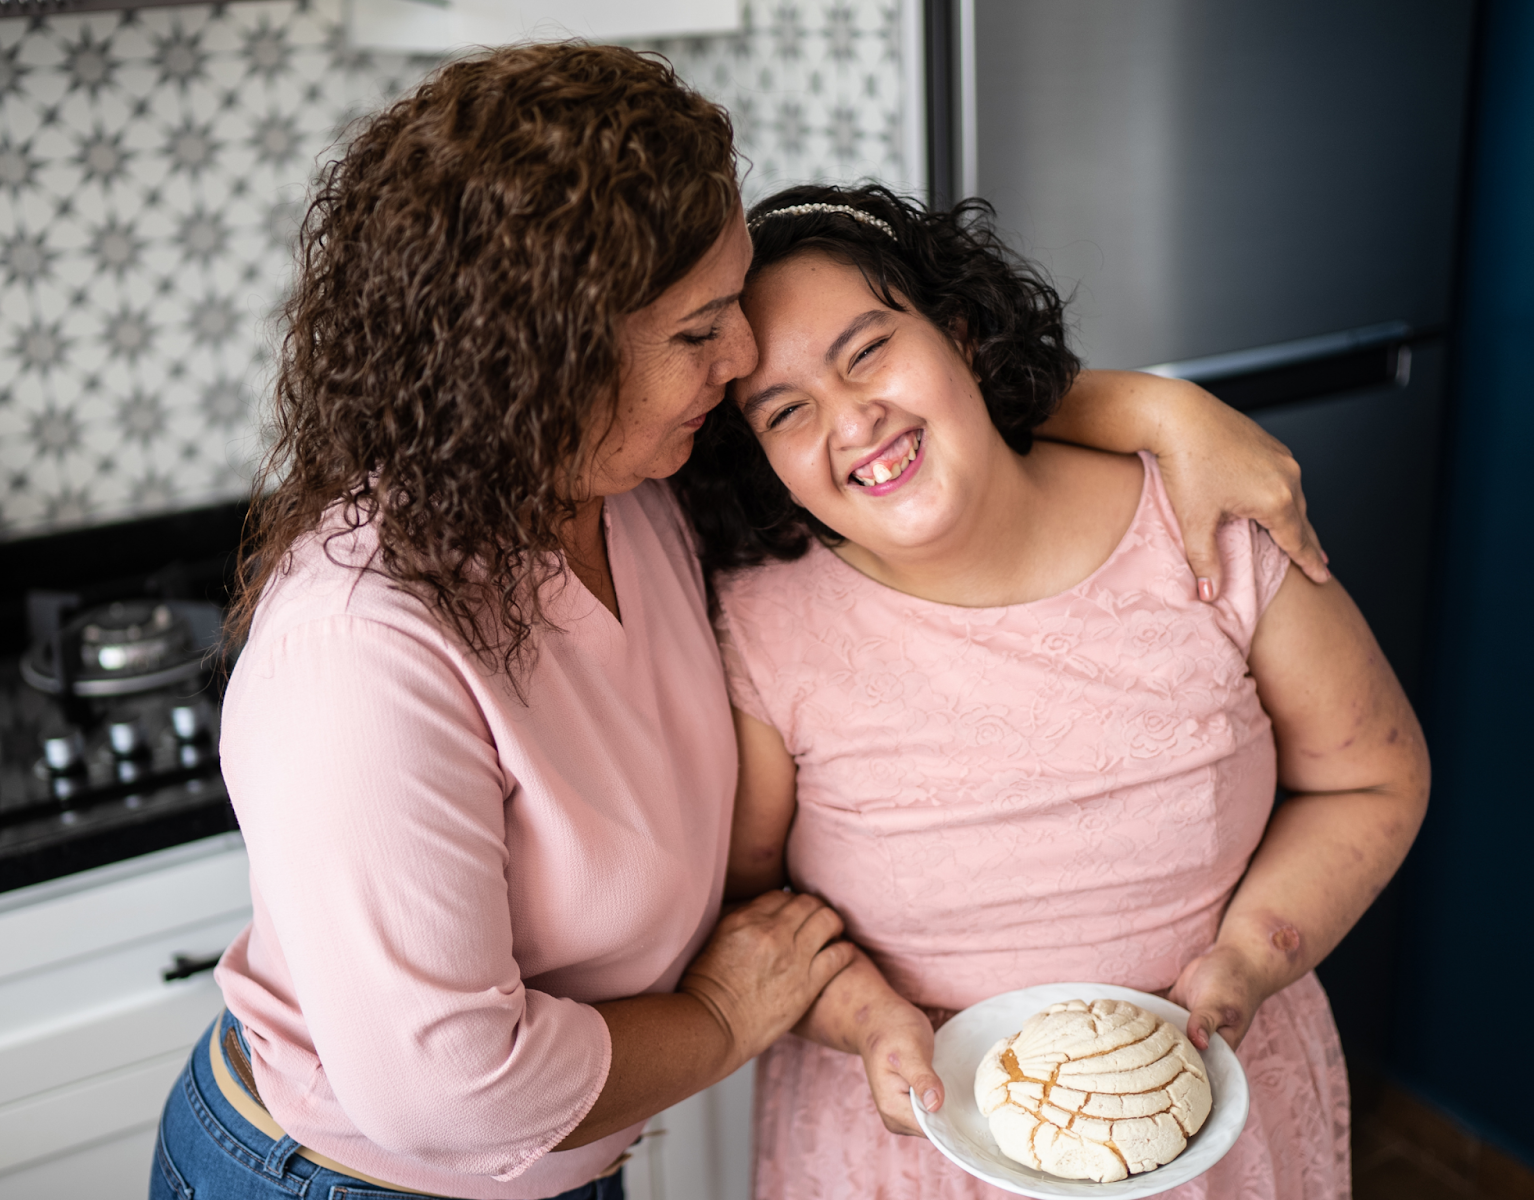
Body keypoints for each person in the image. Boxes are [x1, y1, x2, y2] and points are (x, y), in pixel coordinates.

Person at [151, 46, 1338, 1200]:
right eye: (698, 330)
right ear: (546, 366)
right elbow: (447, 1095)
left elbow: (892, 402)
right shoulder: (357, 649)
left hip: (565, 1164)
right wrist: (725, 1015)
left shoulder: (630, 492)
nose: (738, 355)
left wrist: (1165, 409)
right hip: (340, 1181)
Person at [684, 184, 1429, 1200]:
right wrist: (869, 1021)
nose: (852, 420)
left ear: (956, 332)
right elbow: (749, 906)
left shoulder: (1205, 525)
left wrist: (1254, 956)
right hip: (908, 1158)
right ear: (764, 458)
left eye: (867, 351)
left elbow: (1371, 779)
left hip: (1209, 1122)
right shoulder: (760, 632)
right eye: (785, 410)